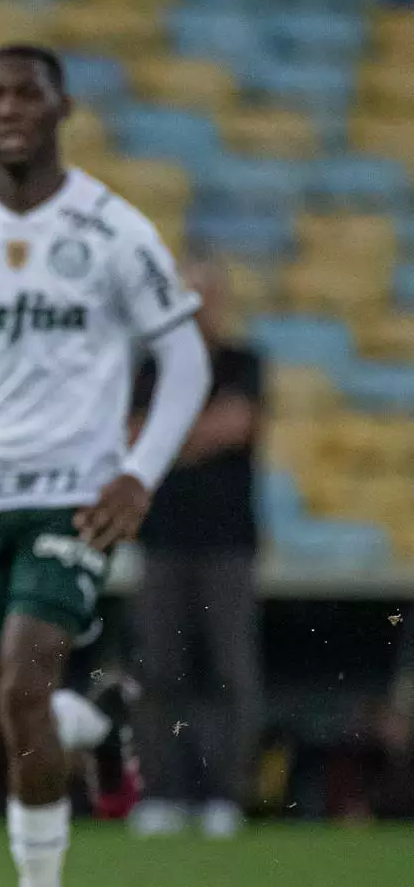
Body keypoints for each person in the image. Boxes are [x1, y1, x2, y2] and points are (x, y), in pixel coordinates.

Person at [0, 44, 211, 887]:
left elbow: (184, 359)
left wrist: (139, 472)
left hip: (73, 498)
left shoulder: (112, 229)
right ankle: (94, 721)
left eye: (27, 93)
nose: (7, 107)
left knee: (22, 685)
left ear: (61, 108)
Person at [127, 257, 263, 839]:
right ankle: (163, 794)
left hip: (229, 543)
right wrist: (196, 434)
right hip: (162, 541)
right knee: (160, 668)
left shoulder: (242, 362)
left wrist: (168, 434)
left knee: (229, 670)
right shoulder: (149, 366)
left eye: (205, 295)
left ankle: (224, 796)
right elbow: (131, 435)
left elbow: (236, 425)